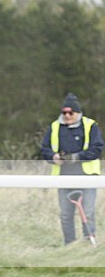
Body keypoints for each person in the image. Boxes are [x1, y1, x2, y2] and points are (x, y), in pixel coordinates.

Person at [40, 93, 103, 245]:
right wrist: (54, 157)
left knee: (87, 212)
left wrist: (75, 157)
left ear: (77, 113)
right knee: (66, 215)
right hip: (64, 178)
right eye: (64, 113)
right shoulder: (54, 127)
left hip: (87, 177)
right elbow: (44, 149)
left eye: (70, 112)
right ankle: (70, 244)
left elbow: (97, 149)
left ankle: (89, 242)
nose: (67, 116)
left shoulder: (90, 125)